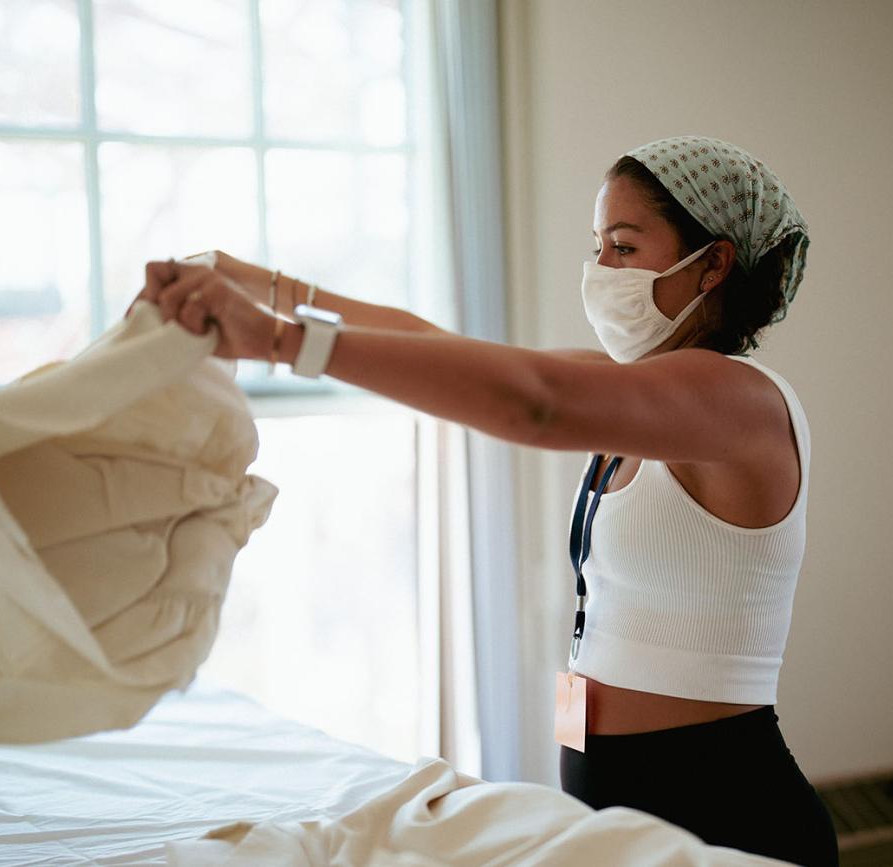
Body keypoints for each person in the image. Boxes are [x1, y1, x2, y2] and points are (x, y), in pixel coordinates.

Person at [134, 135, 839, 866]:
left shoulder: (737, 400)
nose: (600, 270)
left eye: (624, 247)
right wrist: (263, 284)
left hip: (726, 809)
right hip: (625, 806)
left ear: (715, 263)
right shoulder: (639, 393)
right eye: (598, 246)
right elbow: (436, 344)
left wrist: (284, 339)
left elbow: (535, 402)